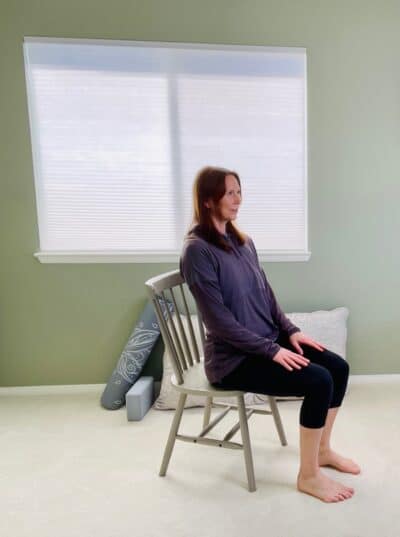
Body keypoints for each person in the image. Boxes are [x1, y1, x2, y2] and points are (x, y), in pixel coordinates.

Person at [180, 166, 360, 503]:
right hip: (232, 360)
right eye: (229, 193)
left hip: (264, 343)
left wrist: (289, 332)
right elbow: (218, 323)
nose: (238, 199)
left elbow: (265, 292)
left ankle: (322, 451)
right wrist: (270, 349)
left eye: (239, 191)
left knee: (338, 368)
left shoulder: (241, 241)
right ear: (207, 201)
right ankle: (308, 476)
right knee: (318, 381)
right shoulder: (197, 252)